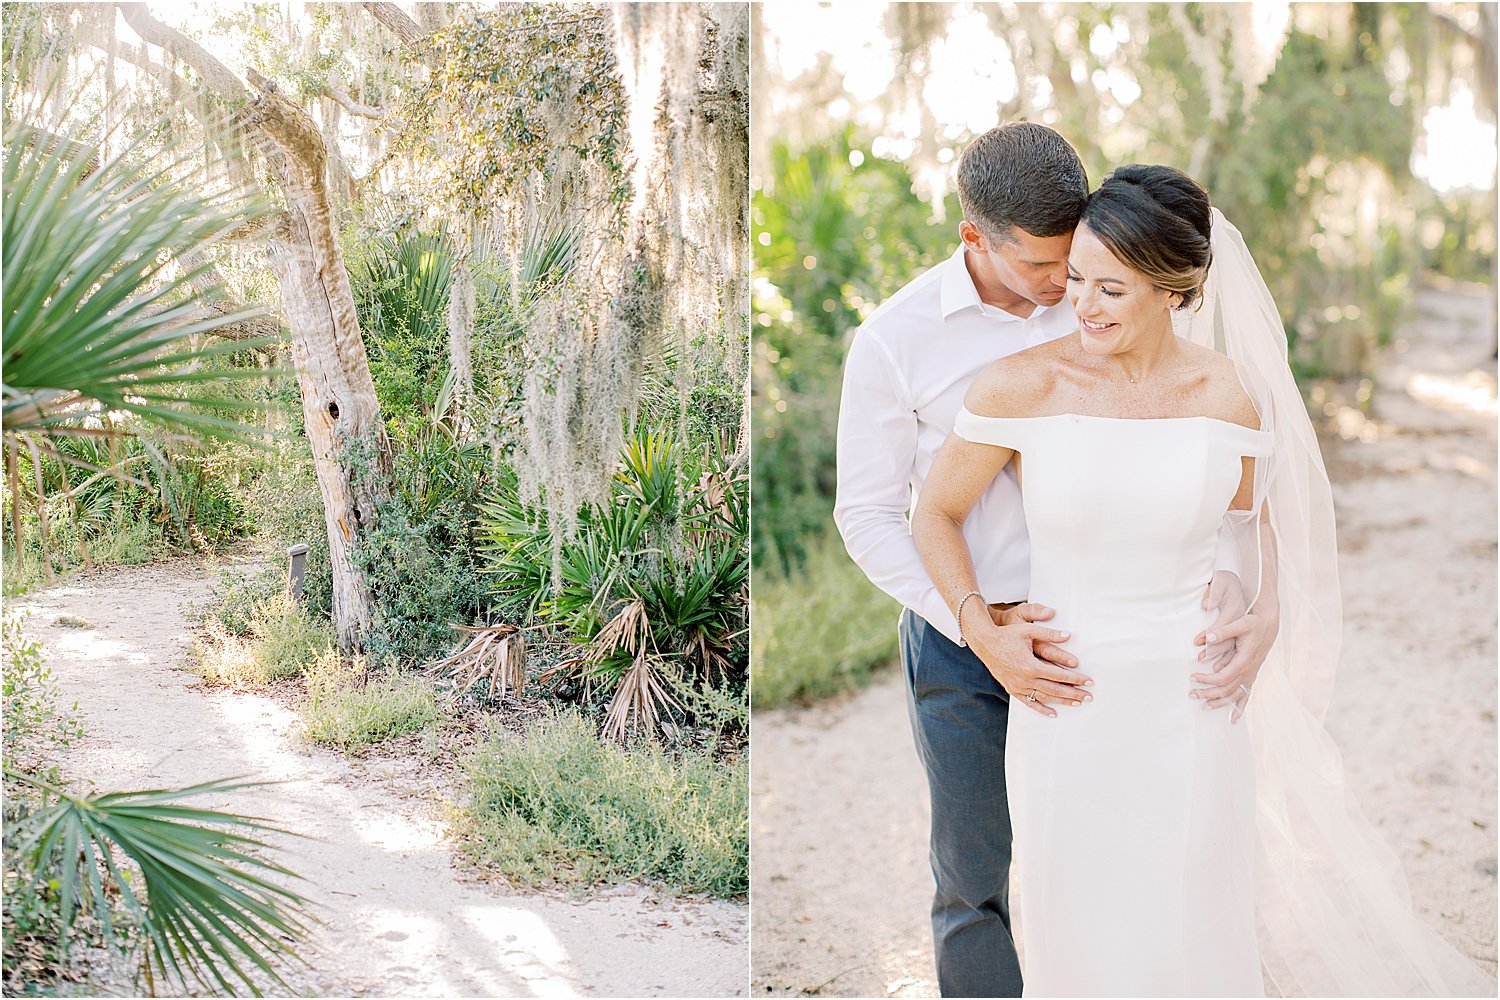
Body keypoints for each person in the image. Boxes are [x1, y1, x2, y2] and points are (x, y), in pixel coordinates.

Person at [911, 163, 1495, 997]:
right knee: (1077, 922)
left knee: (1192, 922)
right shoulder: (1023, 385)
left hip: (1191, 701)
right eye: (1076, 278)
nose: (1083, 303)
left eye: (1111, 288)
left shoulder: (1226, 395)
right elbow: (933, 514)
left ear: (1173, 288)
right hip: (1066, 702)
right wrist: (981, 624)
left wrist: (1261, 609)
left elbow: (1252, 524)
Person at [833, 123, 1277, 998]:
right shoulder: (898, 341)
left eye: (1087, 267)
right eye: (1052, 269)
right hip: (964, 630)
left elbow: (1235, 509)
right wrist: (974, 622)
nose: (1066, 290)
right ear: (975, 238)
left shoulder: (1143, 325)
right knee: (976, 877)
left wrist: (1254, 594)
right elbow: (878, 514)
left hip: (1132, 641)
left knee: (1170, 870)